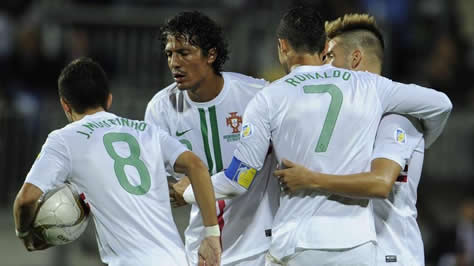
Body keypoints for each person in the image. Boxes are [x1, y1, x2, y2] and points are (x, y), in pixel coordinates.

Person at [181, 7, 452, 266]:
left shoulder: (269, 97)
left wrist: (191, 191)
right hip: (357, 244)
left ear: (282, 46)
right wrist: (421, 144)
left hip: (297, 243)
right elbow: (441, 104)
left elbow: (237, 182)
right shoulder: (369, 85)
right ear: (324, 49)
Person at [13, 57, 221, 266]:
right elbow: (197, 166)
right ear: (109, 100)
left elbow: (26, 199)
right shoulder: (147, 131)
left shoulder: (64, 139)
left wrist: (25, 234)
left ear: (65, 105)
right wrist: (212, 234)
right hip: (176, 259)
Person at [274, 14, 428, 266]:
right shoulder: (345, 119)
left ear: (355, 59)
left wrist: (311, 179)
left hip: (391, 255)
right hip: (353, 251)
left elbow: (380, 184)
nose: (323, 67)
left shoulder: (395, 117)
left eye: (330, 57)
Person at [145, 11, 279, 266]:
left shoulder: (257, 95)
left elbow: (235, 181)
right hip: (201, 249)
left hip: (259, 247)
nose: (174, 62)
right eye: (169, 54)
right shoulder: (160, 109)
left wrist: (187, 190)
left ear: (211, 54)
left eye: (184, 53)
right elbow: (162, 186)